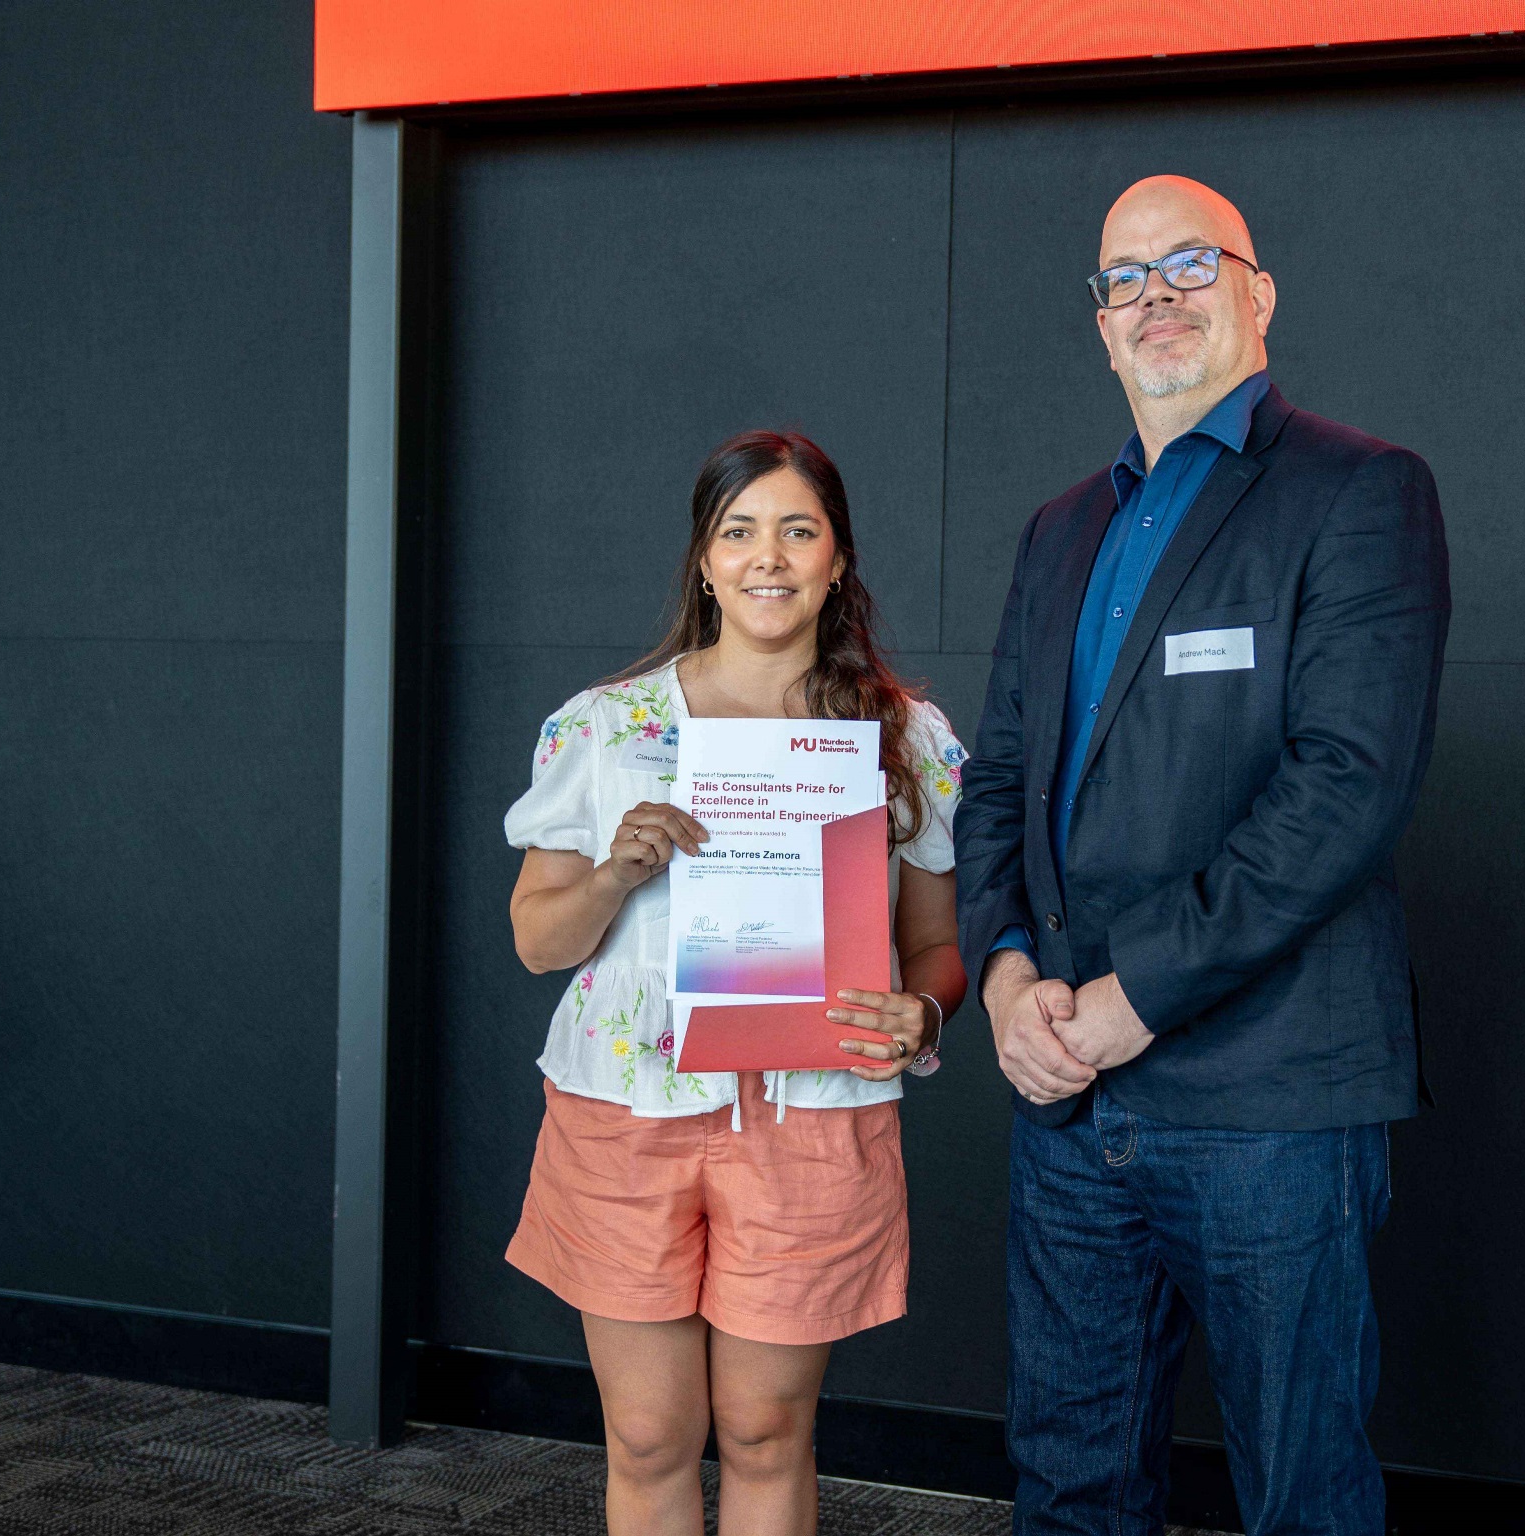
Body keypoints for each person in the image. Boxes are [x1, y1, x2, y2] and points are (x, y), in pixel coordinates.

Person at [955, 175, 1450, 1535]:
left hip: (1271, 1105)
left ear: (1258, 294)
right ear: (1103, 327)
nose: (1157, 294)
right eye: (1127, 278)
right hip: (1063, 1097)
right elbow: (998, 776)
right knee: (1069, 1481)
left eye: (1190, 262)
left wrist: (1127, 1002)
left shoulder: (1361, 493)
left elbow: (1344, 792)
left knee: (1299, 1493)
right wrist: (1003, 980)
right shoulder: (1062, 530)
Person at [502, 429, 968, 1536]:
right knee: (653, 1437)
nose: (770, 557)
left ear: (837, 559)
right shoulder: (607, 727)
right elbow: (536, 942)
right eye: (739, 531)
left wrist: (924, 1011)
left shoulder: (902, 738)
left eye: (798, 530)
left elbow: (936, 946)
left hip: (813, 1117)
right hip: (628, 1115)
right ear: (704, 562)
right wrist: (619, 867)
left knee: (767, 1433)